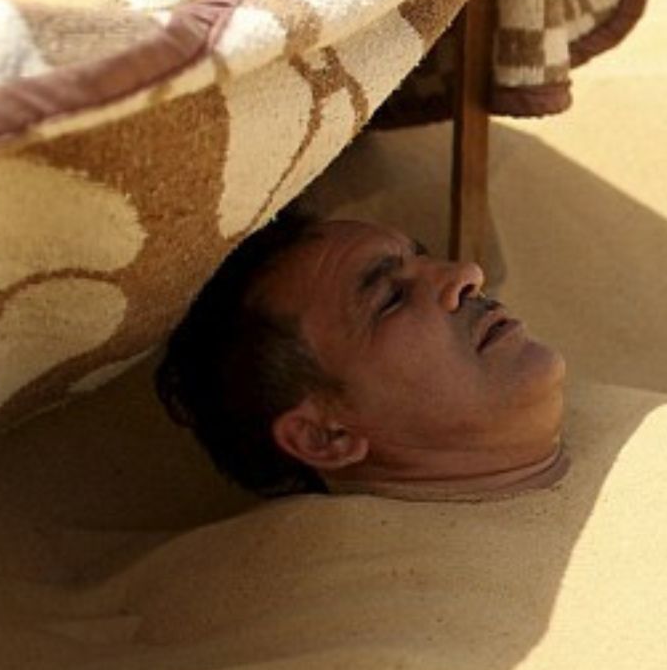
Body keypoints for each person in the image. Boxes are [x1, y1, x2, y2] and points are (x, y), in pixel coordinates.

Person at [156, 211, 569, 501]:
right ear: (325, 436)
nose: (467, 274)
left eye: (424, 257)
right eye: (391, 298)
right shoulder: (396, 610)